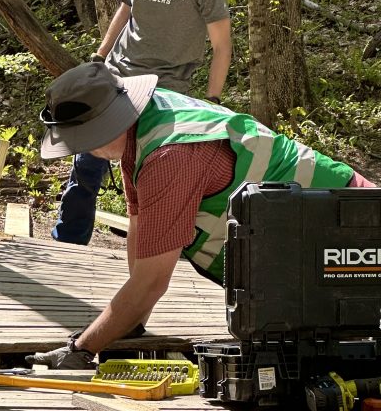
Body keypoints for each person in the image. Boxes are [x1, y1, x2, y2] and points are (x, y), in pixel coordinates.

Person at [28, 62, 376, 369]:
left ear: (105, 127)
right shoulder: (144, 127)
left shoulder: (170, 156)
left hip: (350, 222)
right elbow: (140, 229)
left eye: (81, 139)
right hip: (308, 228)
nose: (83, 149)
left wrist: (82, 348)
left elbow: (151, 280)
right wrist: (130, 323)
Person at [55, 0, 232, 244]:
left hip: (166, 87)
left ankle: (155, 253)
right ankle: (68, 242)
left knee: (151, 172)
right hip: (119, 71)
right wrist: (100, 54)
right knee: (88, 157)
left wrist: (213, 99)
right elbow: (125, 9)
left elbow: (222, 46)